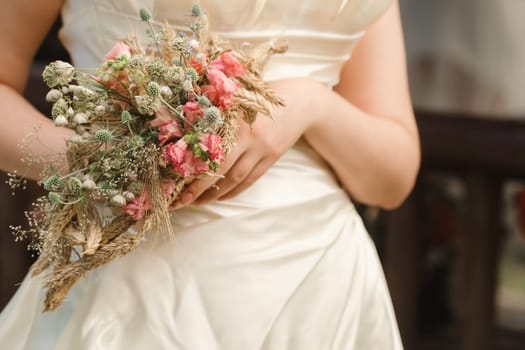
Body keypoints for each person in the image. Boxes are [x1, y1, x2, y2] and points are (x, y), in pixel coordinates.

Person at [0, 0, 419, 349]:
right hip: (133, 281)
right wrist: (95, 162)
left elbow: (392, 179)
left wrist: (310, 105)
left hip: (316, 287)